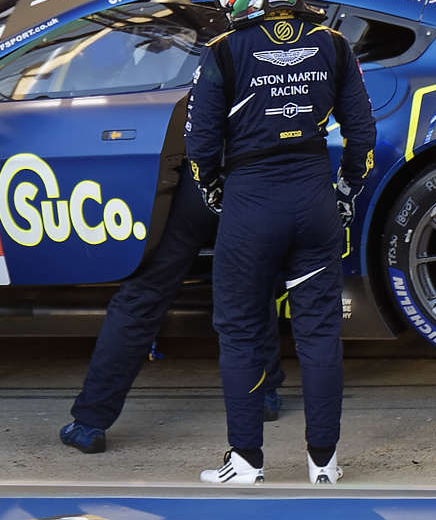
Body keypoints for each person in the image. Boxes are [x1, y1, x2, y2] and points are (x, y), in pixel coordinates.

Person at [187, 0, 376, 485]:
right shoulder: (334, 44)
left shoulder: (223, 52)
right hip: (315, 200)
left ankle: (247, 462)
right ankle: (325, 463)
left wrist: (215, 191)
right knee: (318, 333)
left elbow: (201, 147)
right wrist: (345, 192)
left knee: (241, 331)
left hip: (250, 206)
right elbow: (362, 135)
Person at [57, 168, 282, 455]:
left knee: (143, 297)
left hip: (196, 181)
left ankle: (90, 423)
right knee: (251, 289)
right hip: (258, 181)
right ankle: (262, 396)